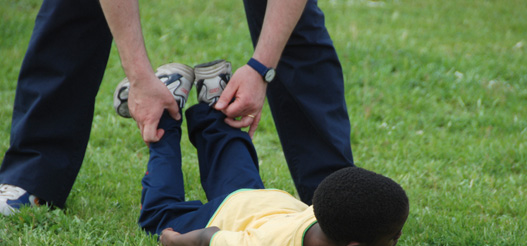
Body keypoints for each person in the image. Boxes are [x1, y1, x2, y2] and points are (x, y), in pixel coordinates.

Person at [0, 0, 354, 216]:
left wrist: (262, 68)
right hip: (253, 219)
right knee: (73, 5)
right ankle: (31, 175)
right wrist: (139, 77)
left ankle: (337, 196)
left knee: (296, 22)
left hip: (243, 223)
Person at [117, 61, 409, 246]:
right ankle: (165, 115)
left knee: (235, 171)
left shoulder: (339, 222)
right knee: (159, 216)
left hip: (266, 206)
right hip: (231, 219)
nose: (398, 236)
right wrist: (173, 242)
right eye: (394, 236)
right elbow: (208, 240)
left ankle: (216, 103)